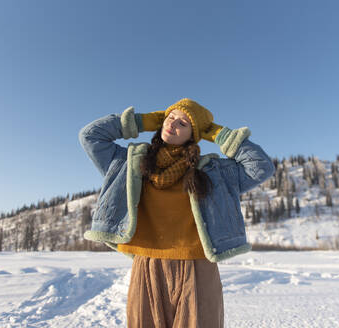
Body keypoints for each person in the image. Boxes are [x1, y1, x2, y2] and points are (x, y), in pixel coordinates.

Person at [78, 98, 275, 327]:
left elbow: (261, 166)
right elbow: (90, 135)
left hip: (198, 267)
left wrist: (218, 133)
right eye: (170, 117)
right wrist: (141, 122)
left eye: (183, 123)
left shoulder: (213, 171)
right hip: (147, 265)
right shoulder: (128, 163)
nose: (173, 124)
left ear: (194, 135)